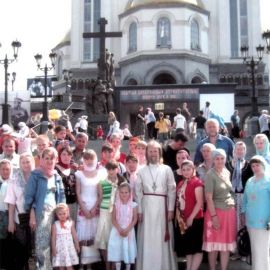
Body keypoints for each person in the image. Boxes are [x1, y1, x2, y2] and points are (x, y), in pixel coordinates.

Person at [135, 140, 177, 270]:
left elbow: (172, 190)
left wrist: (170, 210)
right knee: (148, 237)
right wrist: (139, 210)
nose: (153, 153)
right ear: (147, 153)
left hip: (162, 207)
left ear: (159, 152)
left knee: (161, 239)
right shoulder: (141, 170)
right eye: (150, 151)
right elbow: (138, 192)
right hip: (146, 207)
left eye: (155, 151)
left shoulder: (167, 169)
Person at [24, 147, 66, 270]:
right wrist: (32, 213)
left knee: (55, 241)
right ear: (41, 159)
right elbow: (29, 197)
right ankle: (43, 267)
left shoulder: (56, 176)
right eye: (46, 158)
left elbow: (61, 195)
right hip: (41, 213)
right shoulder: (35, 175)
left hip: (56, 213)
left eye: (51, 158)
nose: (49, 161)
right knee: (42, 243)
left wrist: (62, 213)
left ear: (56, 160)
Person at [202, 149, 237, 270]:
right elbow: (208, 198)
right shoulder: (210, 175)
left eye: (222, 158)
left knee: (226, 245)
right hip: (215, 212)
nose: (220, 161)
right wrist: (214, 216)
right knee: (214, 245)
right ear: (213, 159)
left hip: (229, 212)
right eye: (217, 158)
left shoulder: (226, 172)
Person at [5, 153, 35, 270]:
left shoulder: (38, 177)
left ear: (32, 162)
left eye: (28, 162)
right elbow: (11, 202)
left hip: (37, 218)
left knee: (34, 247)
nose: (26, 164)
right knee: (21, 247)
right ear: (20, 164)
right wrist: (11, 222)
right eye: (23, 162)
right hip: (19, 218)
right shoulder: (14, 179)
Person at [95, 160, 125, 270]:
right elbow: (100, 198)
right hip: (105, 212)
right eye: (109, 169)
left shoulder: (122, 182)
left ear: (117, 169)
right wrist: (94, 208)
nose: (111, 171)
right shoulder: (101, 182)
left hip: (118, 212)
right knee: (105, 240)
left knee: (115, 240)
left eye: (113, 168)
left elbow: (125, 197)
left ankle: (114, 265)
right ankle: (107, 266)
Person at [242, 155, 270, 270]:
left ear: (263, 165)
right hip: (250, 221)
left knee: (263, 248)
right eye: (253, 166)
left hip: (264, 221)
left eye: (257, 165)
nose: (255, 168)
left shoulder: (268, 180)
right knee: (254, 248)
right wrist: (243, 213)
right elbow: (245, 199)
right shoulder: (250, 180)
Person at [175, 160, 204, 270]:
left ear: (193, 170)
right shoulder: (181, 183)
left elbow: (199, 202)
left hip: (195, 219)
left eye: (188, 169)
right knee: (188, 248)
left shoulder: (197, 183)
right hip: (183, 219)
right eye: (184, 170)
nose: (186, 172)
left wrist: (191, 217)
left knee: (196, 247)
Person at [76, 150, 101, 268]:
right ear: (83, 160)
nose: (89, 161)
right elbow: (78, 193)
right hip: (83, 206)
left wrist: (94, 209)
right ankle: (82, 264)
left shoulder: (100, 174)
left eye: (91, 158)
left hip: (95, 207)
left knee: (92, 236)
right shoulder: (79, 174)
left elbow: (100, 194)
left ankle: (90, 264)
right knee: (82, 236)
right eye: (86, 158)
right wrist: (84, 209)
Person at [108, 182, 138, 270]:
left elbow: (135, 219)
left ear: (130, 193)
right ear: (118, 193)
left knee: (128, 250)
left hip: (129, 230)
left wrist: (127, 229)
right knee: (118, 250)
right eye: (122, 192)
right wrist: (120, 229)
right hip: (117, 230)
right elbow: (113, 219)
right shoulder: (116, 205)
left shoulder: (133, 205)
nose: (124, 194)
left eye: (126, 192)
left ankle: (128, 268)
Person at [51, 203, 80, 269]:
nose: (62, 216)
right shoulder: (55, 225)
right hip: (60, 249)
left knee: (69, 266)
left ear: (67, 213)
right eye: (60, 214)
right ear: (57, 215)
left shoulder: (71, 223)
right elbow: (53, 238)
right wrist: (53, 248)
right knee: (61, 266)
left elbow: (74, 235)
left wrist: (77, 245)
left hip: (69, 248)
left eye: (64, 213)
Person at [55, 146, 77, 221]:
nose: (66, 157)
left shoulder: (73, 169)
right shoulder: (55, 169)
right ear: (59, 155)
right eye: (63, 154)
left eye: (68, 154)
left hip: (73, 204)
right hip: (60, 205)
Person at [0, 159, 12, 269]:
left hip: (11, 214)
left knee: (10, 239)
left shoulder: (14, 182)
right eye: (3, 169)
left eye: (7, 169)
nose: (5, 171)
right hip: (0, 214)